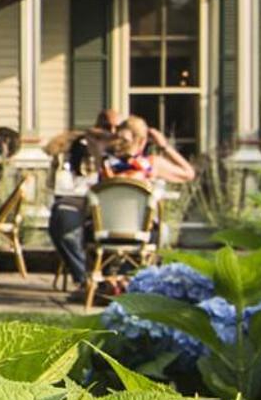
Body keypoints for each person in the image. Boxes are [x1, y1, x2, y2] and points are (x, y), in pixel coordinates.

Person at [43, 107, 117, 288]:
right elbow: (50, 148)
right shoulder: (80, 145)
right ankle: (84, 279)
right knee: (61, 223)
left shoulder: (124, 150)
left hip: (114, 206)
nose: (112, 132)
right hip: (78, 199)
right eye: (107, 126)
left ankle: (115, 279)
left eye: (117, 128)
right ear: (97, 125)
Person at [101, 115, 197, 187]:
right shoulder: (151, 164)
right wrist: (165, 146)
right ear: (143, 141)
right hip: (143, 214)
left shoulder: (105, 163)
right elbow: (189, 174)